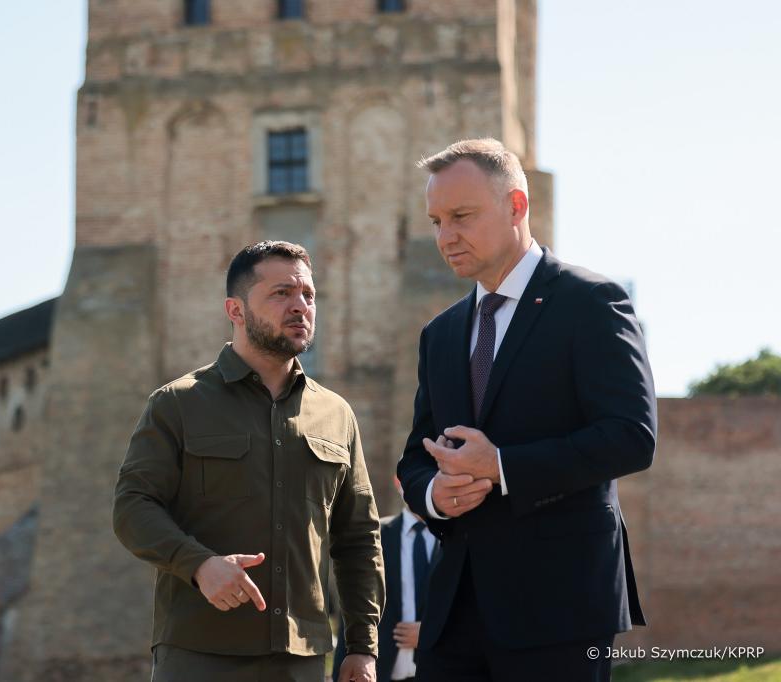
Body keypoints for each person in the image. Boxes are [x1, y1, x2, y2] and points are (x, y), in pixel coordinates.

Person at [396, 138, 656, 682]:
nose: (446, 237)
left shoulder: (591, 302)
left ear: (516, 205)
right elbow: (415, 459)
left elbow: (631, 437)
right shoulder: (439, 333)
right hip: (453, 614)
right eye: (437, 221)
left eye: (462, 216)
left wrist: (502, 466)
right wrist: (435, 495)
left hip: (559, 606)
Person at [114, 241, 385, 682]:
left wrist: (362, 646)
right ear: (235, 310)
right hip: (199, 653)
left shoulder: (337, 415)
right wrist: (198, 564)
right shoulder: (177, 404)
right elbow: (132, 507)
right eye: (281, 293)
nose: (300, 306)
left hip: (302, 659)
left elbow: (358, 538)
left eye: (308, 295)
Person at [334, 477, 441, 682]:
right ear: (398, 482)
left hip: (437, 670)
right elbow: (354, 604)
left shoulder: (454, 537)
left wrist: (431, 633)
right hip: (378, 672)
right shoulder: (374, 536)